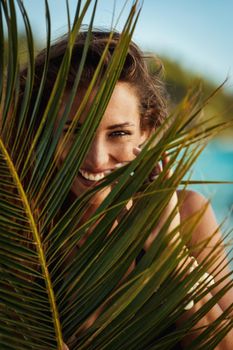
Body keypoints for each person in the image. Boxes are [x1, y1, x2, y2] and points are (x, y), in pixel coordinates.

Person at [19, 30, 232, 349]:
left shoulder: (188, 214)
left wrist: (169, 254)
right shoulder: (22, 224)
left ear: (145, 132)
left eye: (118, 133)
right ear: (42, 130)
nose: (95, 158)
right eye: (72, 131)